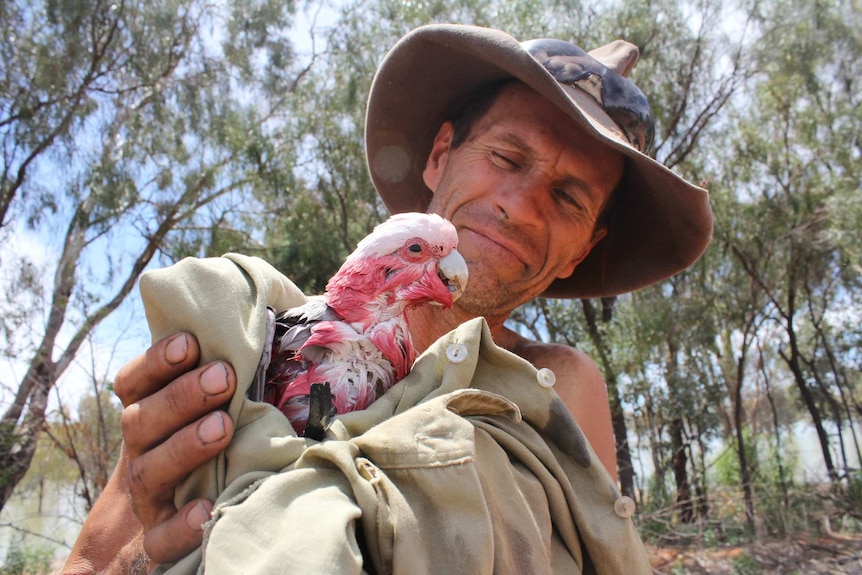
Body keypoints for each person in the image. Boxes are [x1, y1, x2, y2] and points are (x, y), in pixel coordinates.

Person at [63, 24, 712, 574]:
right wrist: (146, 556)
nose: (519, 206)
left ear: (581, 249)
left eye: (568, 197)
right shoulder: (253, 344)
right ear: (438, 156)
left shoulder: (562, 386)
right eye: (507, 155)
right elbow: (90, 563)